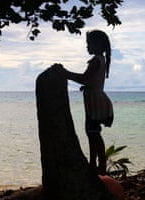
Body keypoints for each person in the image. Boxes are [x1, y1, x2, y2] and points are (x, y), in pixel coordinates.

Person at [56, 30, 113, 175]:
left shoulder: (96, 60)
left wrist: (66, 74)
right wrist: (86, 86)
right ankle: (94, 163)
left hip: (95, 102)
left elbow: (83, 77)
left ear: (98, 45)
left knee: (93, 133)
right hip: (95, 100)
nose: (87, 46)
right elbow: (89, 81)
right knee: (92, 132)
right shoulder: (100, 59)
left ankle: (100, 165)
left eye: (89, 44)